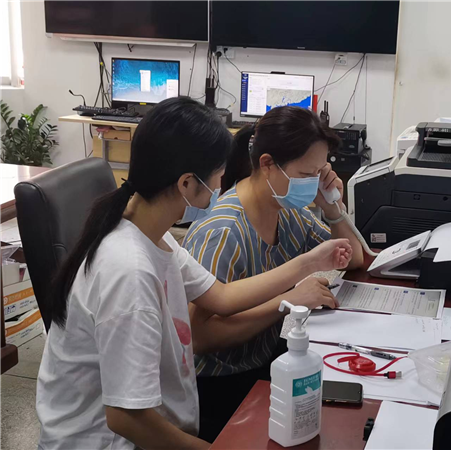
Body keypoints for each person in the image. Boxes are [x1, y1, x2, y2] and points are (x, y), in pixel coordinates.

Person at [36, 98, 352, 450]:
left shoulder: (153, 236)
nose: (221, 186)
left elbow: (221, 296)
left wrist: (309, 262)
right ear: (187, 183)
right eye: (218, 175)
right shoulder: (129, 271)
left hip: (163, 423)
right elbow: (126, 419)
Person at [184, 106, 365, 441]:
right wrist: (287, 302)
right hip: (218, 386)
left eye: (319, 174)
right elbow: (200, 337)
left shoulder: (288, 211)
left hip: (264, 360)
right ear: (267, 164)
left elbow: (352, 258)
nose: (313, 183)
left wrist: (331, 206)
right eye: (306, 174)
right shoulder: (222, 233)